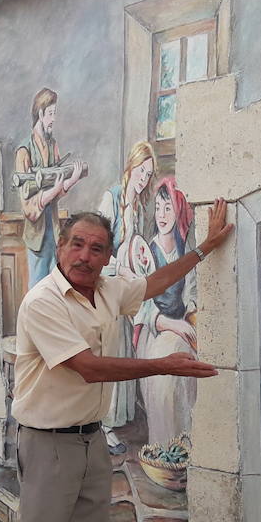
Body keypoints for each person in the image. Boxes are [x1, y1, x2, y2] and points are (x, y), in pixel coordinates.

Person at [1, 201, 233, 522]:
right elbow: (87, 368)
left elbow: (153, 284)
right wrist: (162, 365)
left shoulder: (107, 290)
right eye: (77, 244)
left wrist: (205, 248)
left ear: (108, 257)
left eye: (97, 248)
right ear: (61, 247)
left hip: (89, 441)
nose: (85, 255)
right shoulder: (43, 301)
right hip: (47, 443)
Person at [96, 140, 158, 452]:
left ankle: (114, 420)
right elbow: (96, 249)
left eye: (148, 175)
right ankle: (104, 425)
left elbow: (136, 248)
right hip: (104, 284)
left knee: (124, 350)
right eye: (140, 171)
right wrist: (120, 269)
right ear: (130, 167)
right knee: (112, 350)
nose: (143, 179)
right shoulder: (112, 199)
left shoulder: (138, 206)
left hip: (123, 285)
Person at [136, 175, 199, 448]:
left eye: (168, 208)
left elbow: (192, 295)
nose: (162, 215)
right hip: (155, 330)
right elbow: (140, 306)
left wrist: (191, 322)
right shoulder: (145, 253)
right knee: (165, 372)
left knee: (189, 368)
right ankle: (164, 447)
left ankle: (187, 446)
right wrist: (174, 326)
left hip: (183, 327)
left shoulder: (186, 252)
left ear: (178, 211)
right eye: (158, 208)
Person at [15, 88, 84, 287]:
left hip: (53, 235)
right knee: (38, 293)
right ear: (40, 114)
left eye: (55, 113)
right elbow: (29, 208)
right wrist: (55, 188)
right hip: (36, 239)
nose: (54, 119)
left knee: (55, 292)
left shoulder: (53, 146)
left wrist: (72, 180)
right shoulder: (24, 151)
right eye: (51, 114)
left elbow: (57, 192)